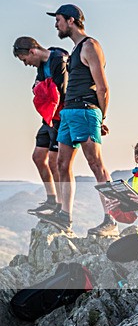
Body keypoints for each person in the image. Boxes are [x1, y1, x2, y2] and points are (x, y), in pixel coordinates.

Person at [37, 4, 116, 236]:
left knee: (96, 164)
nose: (56, 25)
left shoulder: (91, 46)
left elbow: (103, 87)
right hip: (69, 113)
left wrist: (102, 116)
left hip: (85, 110)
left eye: (58, 20)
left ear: (71, 20)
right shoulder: (74, 50)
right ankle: (65, 216)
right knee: (61, 165)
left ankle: (110, 219)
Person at [13, 36, 68, 216]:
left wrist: (42, 89)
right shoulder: (41, 66)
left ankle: (61, 206)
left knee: (55, 162)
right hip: (48, 119)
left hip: (60, 118)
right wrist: (42, 88)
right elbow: (36, 90)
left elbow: (58, 91)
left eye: (25, 60)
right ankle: (51, 199)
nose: (26, 64)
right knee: (38, 157)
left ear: (32, 51)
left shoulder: (58, 59)